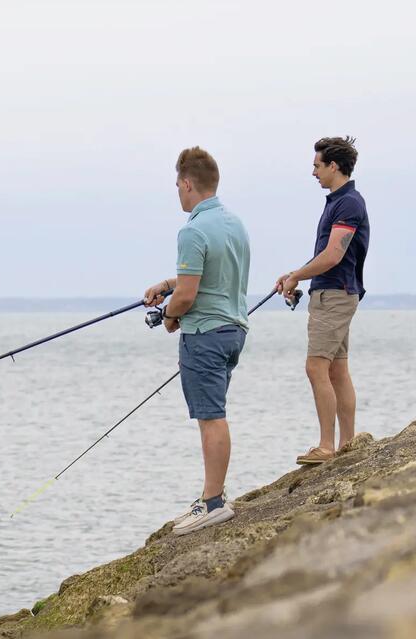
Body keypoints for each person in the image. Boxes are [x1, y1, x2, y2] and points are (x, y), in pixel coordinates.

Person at [141, 146, 250, 536]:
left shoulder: (192, 230)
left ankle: (213, 502)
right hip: (233, 331)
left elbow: (188, 297)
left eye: (177, 185)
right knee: (214, 412)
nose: (177, 192)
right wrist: (168, 284)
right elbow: (208, 278)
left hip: (204, 335)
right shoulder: (234, 223)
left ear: (187, 183)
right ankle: (213, 495)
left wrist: (170, 316)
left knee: (210, 416)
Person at [272, 136, 370, 465]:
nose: (313, 172)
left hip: (335, 293)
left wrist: (298, 275)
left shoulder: (349, 203)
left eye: (317, 165)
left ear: (333, 166)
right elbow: (325, 257)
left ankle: (327, 446)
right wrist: (295, 275)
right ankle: (347, 444)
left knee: (316, 366)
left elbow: (333, 254)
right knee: (338, 370)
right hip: (333, 290)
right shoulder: (337, 202)